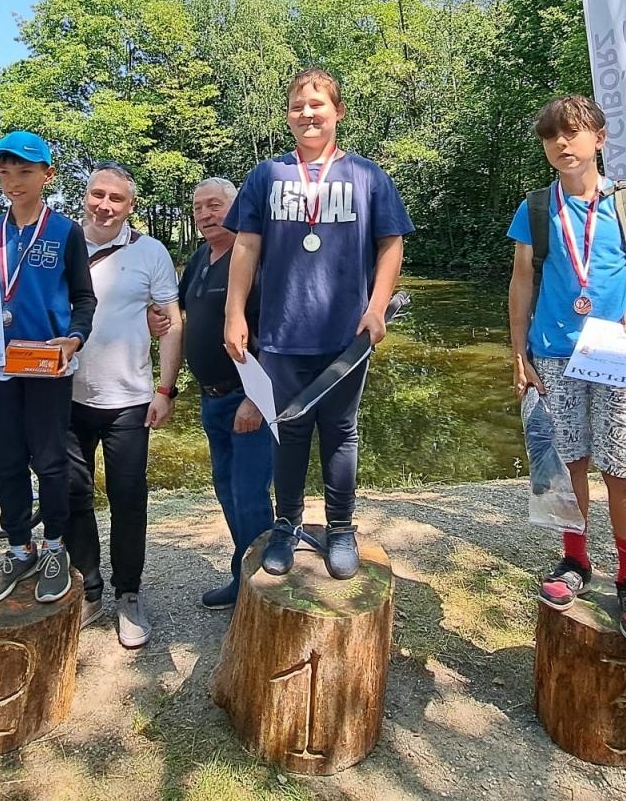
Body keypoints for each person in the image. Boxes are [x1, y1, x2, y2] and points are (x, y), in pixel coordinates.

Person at [224, 68, 413, 580]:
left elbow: (390, 244)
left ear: (337, 112)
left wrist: (377, 307)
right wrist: (235, 312)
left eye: (317, 105)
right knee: (287, 431)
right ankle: (286, 525)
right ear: (288, 116)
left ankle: (341, 527)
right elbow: (246, 244)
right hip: (282, 332)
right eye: (297, 106)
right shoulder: (267, 176)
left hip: (345, 337)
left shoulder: (367, 176)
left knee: (341, 432)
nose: (307, 114)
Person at [507, 95, 626, 644]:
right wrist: (518, 353)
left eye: (573, 133)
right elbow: (522, 281)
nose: (562, 143)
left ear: (598, 138)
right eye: (553, 136)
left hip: (616, 352)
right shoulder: (535, 208)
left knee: (623, 468)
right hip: (553, 352)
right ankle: (574, 562)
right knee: (568, 460)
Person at [0, 131, 96, 606]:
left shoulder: (65, 231)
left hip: (45, 364)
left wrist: (75, 337)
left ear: (47, 175)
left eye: (24, 171)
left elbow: (84, 297)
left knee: (51, 459)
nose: (13, 181)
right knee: (7, 458)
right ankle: (19, 547)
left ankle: (56, 546)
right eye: (4, 172)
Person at [67, 163, 183, 648]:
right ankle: (88, 588)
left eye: (116, 198)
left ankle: (128, 593)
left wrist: (165, 389)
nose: (105, 206)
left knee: (128, 500)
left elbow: (172, 322)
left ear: (130, 205)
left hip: (129, 400)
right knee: (72, 496)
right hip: (66, 395)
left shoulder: (150, 251)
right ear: (85, 197)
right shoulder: (61, 245)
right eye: (98, 195)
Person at [179, 177, 272, 608]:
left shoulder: (253, 258)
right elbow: (183, 316)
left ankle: (260, 588)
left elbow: (276, 333)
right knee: (225, 488)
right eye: (198, 208)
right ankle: (245, 574)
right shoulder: (199, 259)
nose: (204, 215)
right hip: (210, 398)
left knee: (249, 494)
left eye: (214, 206)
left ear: (235, 208)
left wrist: (256, 398)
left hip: (247, 398)